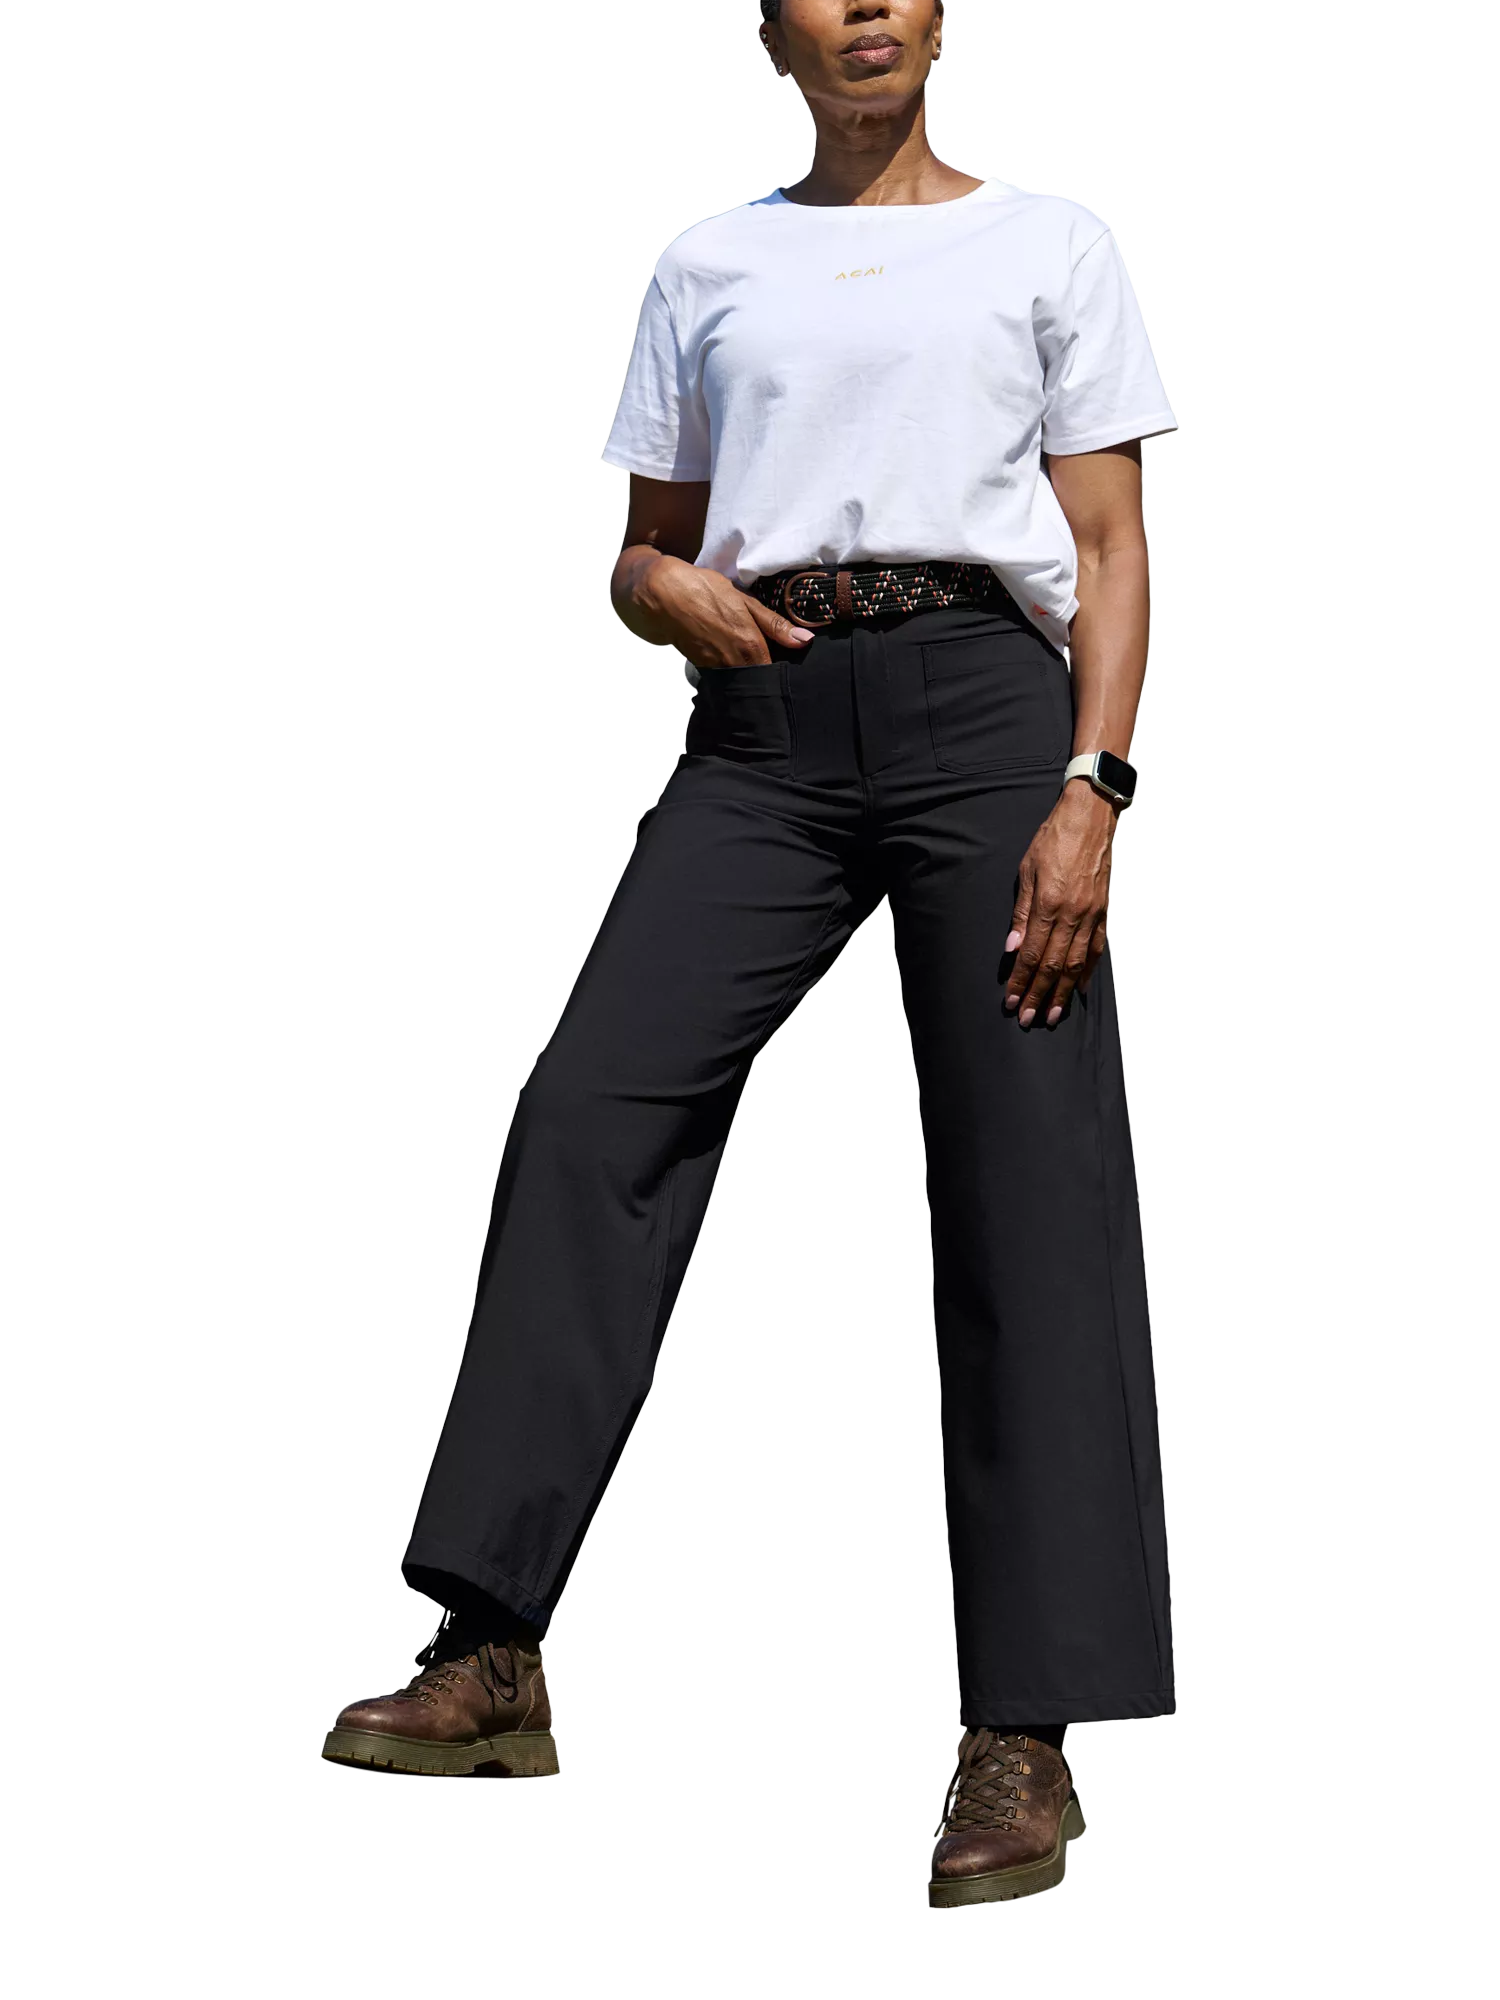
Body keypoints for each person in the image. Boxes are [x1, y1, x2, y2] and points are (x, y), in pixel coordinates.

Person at [322, 0, 1176, 1909]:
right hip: (765, 732)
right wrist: (663, 593)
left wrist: (1094, 787)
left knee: (1028, 1180)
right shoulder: (709, 261)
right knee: (589, 1118)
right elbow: (648, 549)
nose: (866, 7)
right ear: (770, 35)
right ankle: (491, 1645)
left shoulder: (1049, 243)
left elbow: (1112, 547)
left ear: (940, 19)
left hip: (985, 712)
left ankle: (1025, 1737)